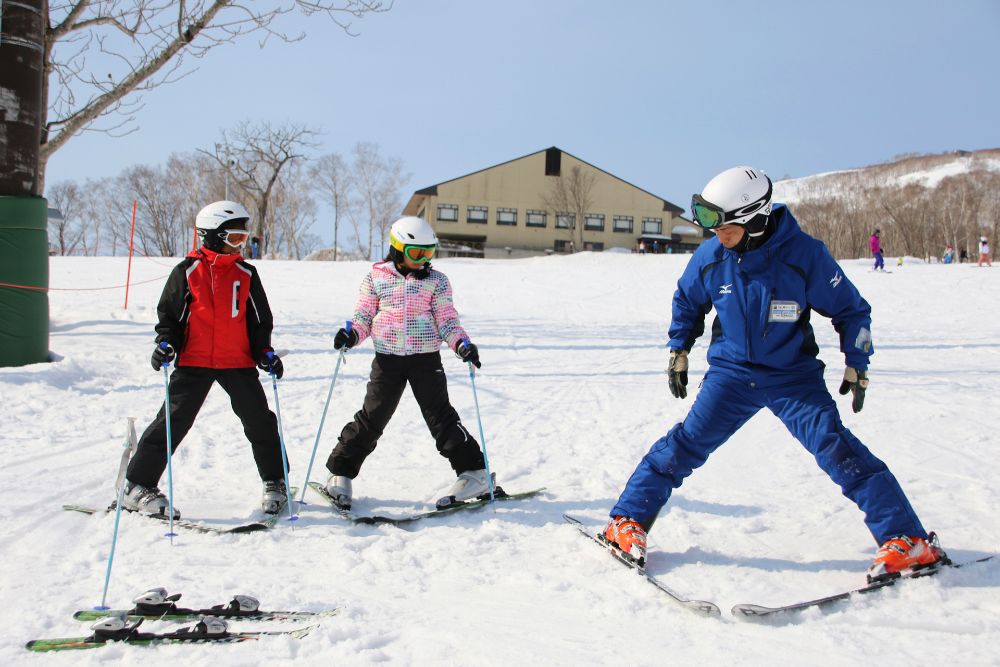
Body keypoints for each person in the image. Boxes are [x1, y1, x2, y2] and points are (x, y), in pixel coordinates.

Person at [603, 166, 947, 583]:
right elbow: (688, 300)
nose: (718, 236)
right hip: (731, 375)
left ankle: (907, 539)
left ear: (755, 220)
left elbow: (851, 310)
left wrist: (858, 362)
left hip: (792, 379)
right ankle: (627, 521)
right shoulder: (712, 257)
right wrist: (680, 348)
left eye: (726, 228)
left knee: (837, 449)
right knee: (685, 444)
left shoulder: (805, 256)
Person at [122, 201, 289, 518]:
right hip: (194, 362)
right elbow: (170, 319)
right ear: (212, 235)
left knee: (260, 422)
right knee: (172, 423)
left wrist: (264, 353)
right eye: (235, 238)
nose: (240, 245)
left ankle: (275, 481)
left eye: (243, 239)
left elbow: (258, 322)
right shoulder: (187, 272)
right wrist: (166, 344)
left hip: (237, 362)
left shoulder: (246, 274)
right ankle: (137, 485)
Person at [323, 216, 491, 510]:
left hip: (426, 359)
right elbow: (363, 317)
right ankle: (339, 472)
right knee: (373, 417)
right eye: (417, 253)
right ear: (398, 249)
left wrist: (461, 343)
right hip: (387, 359)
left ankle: (475, 472)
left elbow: (447, 320)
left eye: (429, 252)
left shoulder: (436, 281)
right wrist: (351, 334)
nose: (423, 260)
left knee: (440, 417)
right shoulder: (375, 278)